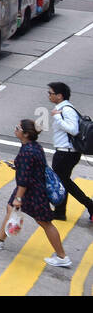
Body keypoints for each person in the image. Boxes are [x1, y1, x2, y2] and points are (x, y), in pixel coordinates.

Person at [0, 119, 71, 267]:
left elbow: (24, 179)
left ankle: (62, 257)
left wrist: (19, 197)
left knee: (45, 223)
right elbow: (33, 168)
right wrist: (19, 167)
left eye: (18, 128)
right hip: (33, 188)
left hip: (33, 192)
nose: (15, 129)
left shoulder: (27, 152)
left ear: (26, 134)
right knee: (10, 207)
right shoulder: (34, 147)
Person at [48, 82, 93, 223]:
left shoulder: (66, 110)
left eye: (51, 93)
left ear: (59, 96)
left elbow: (73, 130)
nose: (49, 96)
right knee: (62, 182)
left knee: (64, 182)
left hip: (66, 153)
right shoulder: (63, 108)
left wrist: (56, 117)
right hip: (65, 152)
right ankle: (60, 212)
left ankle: (90, 205)